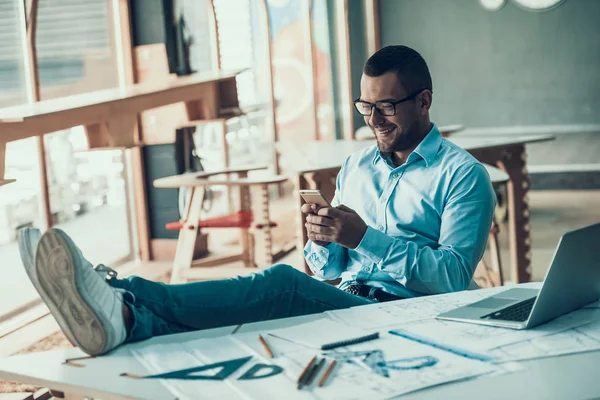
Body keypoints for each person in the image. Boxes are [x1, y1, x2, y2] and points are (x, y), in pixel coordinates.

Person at [18, 45, 495, 356]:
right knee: (247, 327)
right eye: (365, 107)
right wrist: (323, 239)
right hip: (347, 296)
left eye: (386, 107)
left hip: (407, 314)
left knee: (282, 286)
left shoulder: (463, 176)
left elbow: (452, 278)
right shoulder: (357, 167)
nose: (374, 120)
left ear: (424, 102)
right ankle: (128, 321)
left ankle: (124, 292)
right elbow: (329, 271)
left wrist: (365, 238)